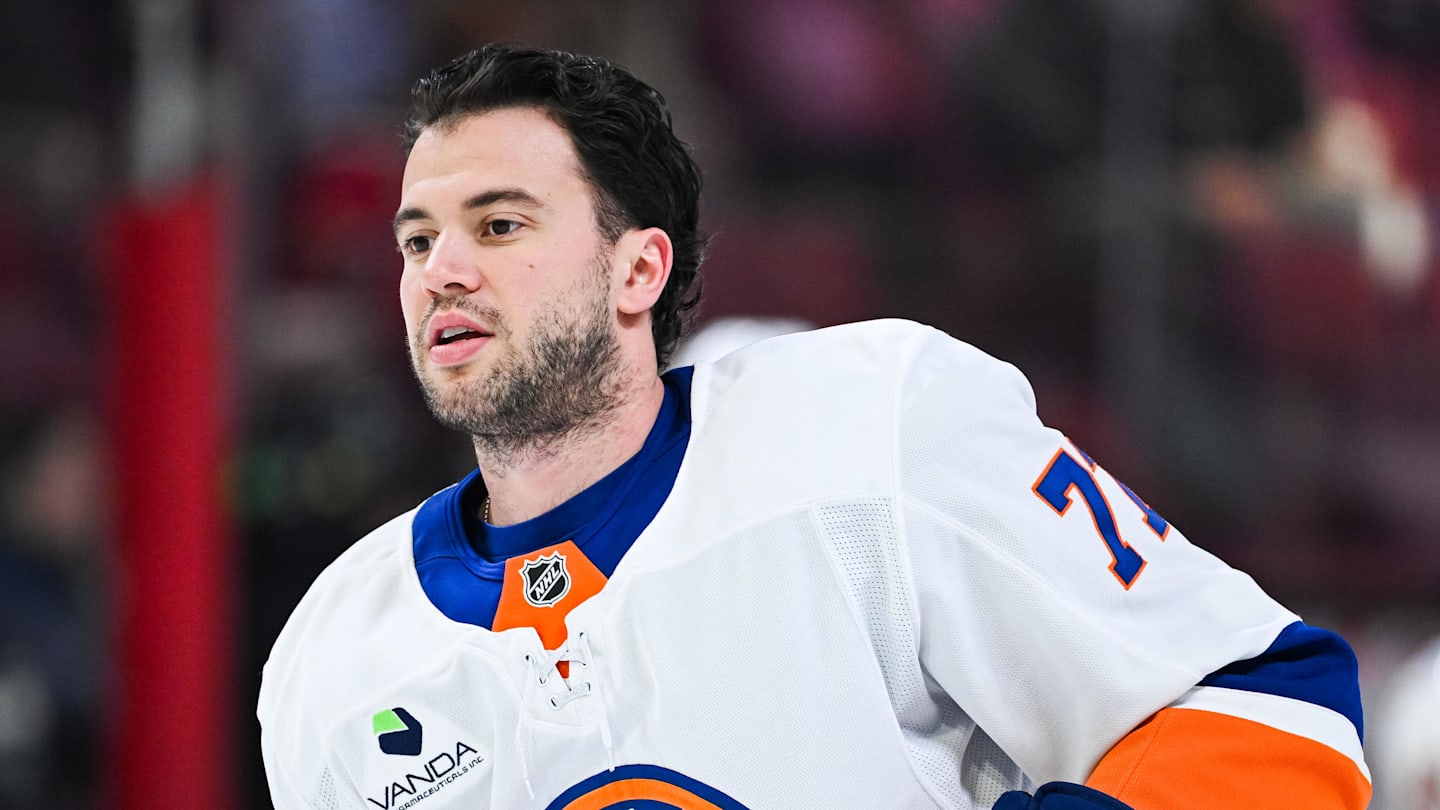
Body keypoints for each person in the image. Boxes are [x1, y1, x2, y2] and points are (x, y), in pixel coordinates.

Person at [257, 43, 1371, 809]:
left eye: (498, 224)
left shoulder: (877, 430)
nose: (442, 272)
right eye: (416, 241)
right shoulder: (332, 662)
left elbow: (1273, 710)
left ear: (637, 269)